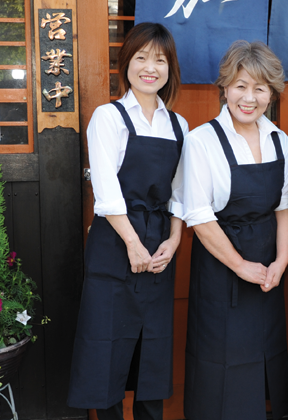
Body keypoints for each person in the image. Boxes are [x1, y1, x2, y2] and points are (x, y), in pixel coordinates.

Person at [68, 22, 188, 420]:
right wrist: (133, 244)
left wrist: (173, 241)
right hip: (116, 241)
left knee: (153, 348)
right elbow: (106, 190)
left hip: (159, 243)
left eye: (160, 59)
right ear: (127, 63)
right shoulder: (109, 116)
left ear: (170, 67)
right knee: (108, 347)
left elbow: (179, 194)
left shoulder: (179, 125)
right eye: (141, 58)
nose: (150, 67)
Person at [173, 40, 288, 420]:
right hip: (222, 268)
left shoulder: (279, 138)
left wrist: (282, 260)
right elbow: (199, 215)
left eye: (260, 88)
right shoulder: (201, 140)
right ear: (224, 88)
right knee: (219, 363)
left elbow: (284, 205)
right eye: (241, 85)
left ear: (271, 94)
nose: (249, 97)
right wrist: (240, 265)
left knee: (266, 355)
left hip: (269, 269)